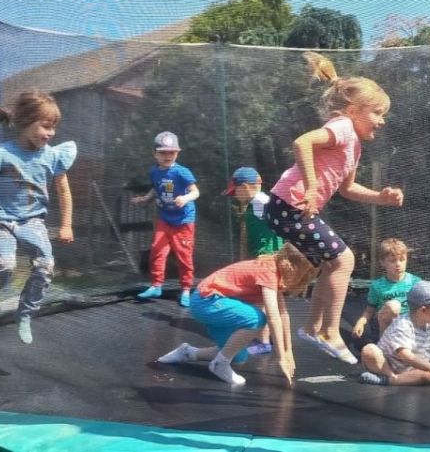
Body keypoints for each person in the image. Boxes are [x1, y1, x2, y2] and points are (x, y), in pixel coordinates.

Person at [264, 51, 404, 365]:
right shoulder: (342, 127)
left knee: (331, 264)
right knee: (344, 259)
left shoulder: (354, 146)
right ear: (353, 111)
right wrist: (312, 186)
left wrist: (380, 197)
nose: (381, 121)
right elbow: (302, 142)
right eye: (377, 113)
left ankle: (312, 328)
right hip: (289, 204)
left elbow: (347, 188)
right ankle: (329, 331)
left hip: (288, 207)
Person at [0, 91, 76, 344]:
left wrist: (67, 224)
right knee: (5, 263)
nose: (50, 133)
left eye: (54, 128)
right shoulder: (2, 153)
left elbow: (63, 191)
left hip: (32, 222)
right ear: (25, 122)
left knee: (45, 265)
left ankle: (25, 314)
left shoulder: (53, 156)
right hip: (2, 219)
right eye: (45, 126)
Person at [156, 244, 317, 386]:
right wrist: (281, 357)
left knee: (238, 355)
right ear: (292, 267)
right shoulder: (268, 271)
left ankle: (187, 352)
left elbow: (283, 314)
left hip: (215, 304)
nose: (303, 278)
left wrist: (289, 352)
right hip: (206, 301)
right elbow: (273, 317)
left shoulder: (276, 273)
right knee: (256, 318)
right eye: (303, 273)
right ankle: (219, 364)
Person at [357, 280, 430, 386]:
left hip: (409, 371)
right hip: (386, 366)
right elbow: (404, 355)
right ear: (423, 310)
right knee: (369, 350)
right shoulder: (403, 325)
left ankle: (395, 379)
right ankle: (388, 379)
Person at [131, 131, 200, 307]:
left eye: (171, 152)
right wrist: (145, 199)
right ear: (154, 154)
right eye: (163, 152)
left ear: (177, 153)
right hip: (165, 218)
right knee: (157, 250)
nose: (167, 156)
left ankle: (186, 289)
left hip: (183, 220)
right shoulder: (154, 172)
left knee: (184, 255)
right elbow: (156, 189)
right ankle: (156, 285)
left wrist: (185, 198)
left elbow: (195, 192)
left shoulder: (181, 172)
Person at [222, 166, 286, 355]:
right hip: (267, 257)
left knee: (266, 303)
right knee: (269, 302)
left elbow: (279, 212)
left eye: (235, 191)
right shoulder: (255, 202)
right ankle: (270, 341)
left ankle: (268, 342)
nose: (235, 196)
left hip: (267, 258)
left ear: (244, 187)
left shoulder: (260, 200)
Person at [352, 238, 421, 341]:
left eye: (402, 259)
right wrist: (361, 322)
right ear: (382, 262)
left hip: (409, 327)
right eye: (392, 261)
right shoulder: (377, 286)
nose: (398, 264)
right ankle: (384, 345)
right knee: (393, 306)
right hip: (385, 328)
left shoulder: (415, 282)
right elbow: (369, 311)